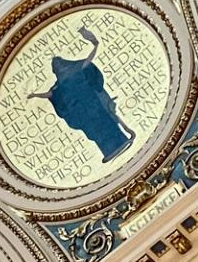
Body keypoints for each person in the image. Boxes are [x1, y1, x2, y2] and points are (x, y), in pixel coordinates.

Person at [30, 24, 135, 162]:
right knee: (97, 131)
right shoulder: (59, 85)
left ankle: (120, 141)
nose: (58, 67)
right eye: (56, 66)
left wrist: (95, 45)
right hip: (85, 111)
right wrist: (35, 95)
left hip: (93, 105)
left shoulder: (75, 71)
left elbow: (88, 60)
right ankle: (109, 150)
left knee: (106, 123)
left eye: (59, 64)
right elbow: (50, 95)